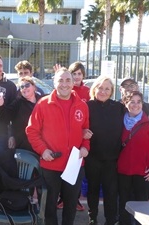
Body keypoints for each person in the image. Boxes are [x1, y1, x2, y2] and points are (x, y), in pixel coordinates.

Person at [84, 75, 149, 225]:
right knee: (92, 191)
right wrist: (81, 132)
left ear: (112, 91)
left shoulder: (118, 107)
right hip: (92, 158)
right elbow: (76, 123)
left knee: (111, 193)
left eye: (107, 89)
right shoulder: (87, 106)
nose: (103, 91)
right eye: (100, 88)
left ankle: (110, 221)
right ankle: (92, 218)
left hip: (112, 160)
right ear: (95, 88)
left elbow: (136, 104)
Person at [26, 67, 90, 225]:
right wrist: (43, 150)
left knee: (70, 205)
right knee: (49, 206)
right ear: (54, 83)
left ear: (73, 82)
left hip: (74, 164)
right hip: (50, 164)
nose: (64, 84)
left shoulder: (82, 106)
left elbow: (86, 132)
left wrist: (85, 148)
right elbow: (32, 131)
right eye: (60, 80)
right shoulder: (43, 104)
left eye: (68, 80)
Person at [118, 91, 149, 225]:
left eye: (139, 102)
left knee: (142, 209)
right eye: (132, 101)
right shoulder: (119, 122)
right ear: (125, 103)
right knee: (123, 206)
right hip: (123, 172)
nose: (135, 105)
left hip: (143, 173)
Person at [54, 61, 89, 211]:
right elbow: (33, 130)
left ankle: (75, 200)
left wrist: (86, 145)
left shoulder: (84, 99)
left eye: (78, 74)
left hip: (76, 153)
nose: (66, 83)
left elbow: (86, 127)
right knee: (53, 197)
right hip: (54, 158)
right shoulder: (47, 102)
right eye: (72, 75)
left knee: (73, 190)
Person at [0, 76, 42, 151]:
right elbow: (4, 118)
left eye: (27, 85)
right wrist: (0, 106)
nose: (24, 88)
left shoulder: (42, 101)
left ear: (34, 87)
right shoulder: (18, 103)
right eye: (22, 87)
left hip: (41, 144)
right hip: (24, 145)